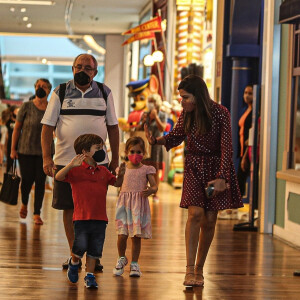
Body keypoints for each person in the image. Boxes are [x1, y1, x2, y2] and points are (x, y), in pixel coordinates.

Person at [144, 75, 243, 287]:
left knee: (210, 219)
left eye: (185, 97)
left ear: (197, 96)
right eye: (181, 97)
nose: (182, 101)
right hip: (194, 167)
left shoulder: (220, 112)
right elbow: (176, 136)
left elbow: (227, 146)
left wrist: (222, 177)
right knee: (195, 213)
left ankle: (200, 270)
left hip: (216, 168)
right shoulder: (186, 114)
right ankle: (189, 269)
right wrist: (157, 140)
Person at [41, 53, 119, 271]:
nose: (83, 71)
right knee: (69, 209)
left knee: (94, 211)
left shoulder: (104, 92)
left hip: (97, 165)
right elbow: (47, 127)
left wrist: (116, 159)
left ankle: (93, 257)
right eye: (79, 67)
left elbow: (113, 126)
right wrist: (47, 158)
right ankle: (74, 255)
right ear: (72, 69)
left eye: (88, 68)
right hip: (67, 163)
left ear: (95, 72)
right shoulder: (60, 92)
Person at [55, 134, 125, 288]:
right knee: (79, 248)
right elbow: (58, 177)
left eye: (102, 147)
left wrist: (122, 174)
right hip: (81, 217)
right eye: (98, 148)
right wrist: (71, 165)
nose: (102, 151)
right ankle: (74, 263)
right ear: (85, 152)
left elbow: (116, 182)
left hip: (100, 218)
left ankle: (90, 276)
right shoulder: (75, 171)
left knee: (95, 249)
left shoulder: (103, 171)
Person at [113, 136, 157, 278]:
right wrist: (119, 175)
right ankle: (121, 258)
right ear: (126, 152)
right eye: (132, 151)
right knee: (122, 234)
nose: (135, 155)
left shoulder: (147, 169)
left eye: (139, 152)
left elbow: (155, 186)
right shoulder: (123, 168)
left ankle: (135, 263)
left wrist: (151, 190)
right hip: (124, 205)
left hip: (138, 205)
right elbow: (118, 184)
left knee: (135, 235)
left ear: (144, 152)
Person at [11, 79, 52, 225]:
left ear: (49, 90)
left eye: (44, 87)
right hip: (25, 150)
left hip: (44, 152)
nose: (41, 89)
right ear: (35, 88)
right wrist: (12, 149)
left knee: (41, 182)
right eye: (38, 86)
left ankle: (36, 213)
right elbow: (17, 128)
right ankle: (24, 203)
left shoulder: (52, 108)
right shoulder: (26, 106)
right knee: (27, 180)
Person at [137, 93, 166, 202]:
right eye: (149, 101)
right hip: (145, 144)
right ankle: (143, 190)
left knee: (155, 169)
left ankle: (155, 193)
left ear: (156, 103)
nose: (149, 104)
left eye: (151, 101)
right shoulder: (145, 114)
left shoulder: (162, 114)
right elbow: (138, 129)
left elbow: (163, 128)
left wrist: (156, 117)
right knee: (143, 168)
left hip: (156, 145)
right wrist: (144, 120)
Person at [237, 85, 253, 197]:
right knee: (239, 180)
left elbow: (251, 136)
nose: (247, 96)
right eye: (245, 93)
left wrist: (246, 155)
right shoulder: (246, 110)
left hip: (249, 152)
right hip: (243, 150)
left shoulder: (255, 112)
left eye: (250, 93)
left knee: (240, 180)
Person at [5, 105, 19, 173]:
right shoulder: (8, 121)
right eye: (16, 111)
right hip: (10, 142)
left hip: (19, 143)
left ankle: (16, 179)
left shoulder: (19, 121)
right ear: (12, 112)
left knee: (18, 163)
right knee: (9, 162)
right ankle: (7, 180)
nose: (17, 112)